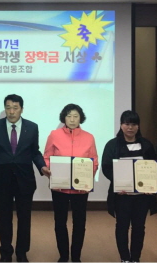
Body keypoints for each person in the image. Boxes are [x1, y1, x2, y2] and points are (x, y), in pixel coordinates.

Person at [0, 94, 51, 262]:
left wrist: (42, 166)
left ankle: (22, 253)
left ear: (22, 109)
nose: (11, 111)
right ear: (4, 109)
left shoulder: (32, 127)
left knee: (24, 218)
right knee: (4, 218)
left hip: (25, 179)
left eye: (15, 108)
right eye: (8, 108)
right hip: (3, 179)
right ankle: (5, 253)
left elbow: (35, 152)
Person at [43, 103, 98, 263]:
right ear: (64, 118)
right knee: (60, 222)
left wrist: (88, 178)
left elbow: (94, 161)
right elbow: (46, 157)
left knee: (79, 223)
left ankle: (76, 256)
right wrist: (49, 170)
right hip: (59, 187)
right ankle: (63, 255)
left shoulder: (89, 137)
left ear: (81, 118)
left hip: (81, 189)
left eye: (75, 116)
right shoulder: (54, 135)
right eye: (69, 116)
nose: (72, 119)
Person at [101, 110, 157, 263]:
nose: (130, 128)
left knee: (139, 227)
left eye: (133, 124)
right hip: (122, 195)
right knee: (122, 226)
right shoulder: (112, 145)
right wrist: (118, 183)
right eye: (127, 124)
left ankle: (135, 258)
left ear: (138, 126)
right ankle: (125, 258)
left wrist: (150, 186)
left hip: (142, 196)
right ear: (121, 125)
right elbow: (106, 167)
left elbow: (154, 167)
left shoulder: (146, 145)